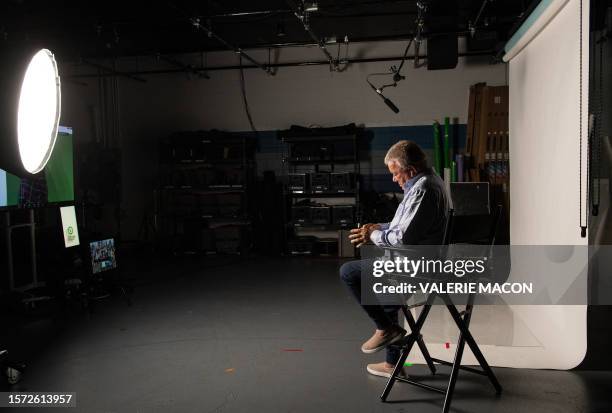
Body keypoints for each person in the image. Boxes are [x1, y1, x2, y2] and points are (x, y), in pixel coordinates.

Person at [339, 140, 449, 378]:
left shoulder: (423, 189)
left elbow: (402, 238)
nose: (393, 179)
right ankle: (392, 362)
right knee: (382, 286)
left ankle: (386, 329)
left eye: (394, 173)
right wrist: (379, 227)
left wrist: (373, 235)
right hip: (422, 263)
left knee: (350, 272)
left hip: (418, 267)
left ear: (408, 170)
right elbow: (404, 225)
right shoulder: (430, 181)